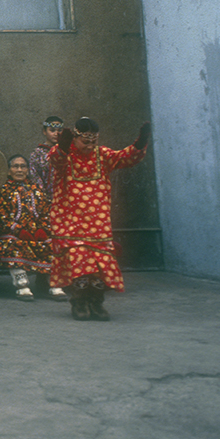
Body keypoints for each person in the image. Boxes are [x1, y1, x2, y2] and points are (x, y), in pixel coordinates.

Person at [48, 117, 151, 321]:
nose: (90, 146)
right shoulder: (64, 155)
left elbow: (125, 158)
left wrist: (140, 142)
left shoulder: (102, 155)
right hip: (70, 221)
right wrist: (63, 145)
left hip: (98, 223)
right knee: (80, 265)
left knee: (99, 268)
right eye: (85, 142)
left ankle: (96, 303)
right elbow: (55, 160)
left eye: (93, 141)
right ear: (75, 139)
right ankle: (79, 303)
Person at [0, 155, 64, 301]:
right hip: (12, 233)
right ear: (8, 170)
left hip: (37, 232)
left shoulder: (36, 189)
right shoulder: (1, 190)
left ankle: (54, 285)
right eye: (15, 166)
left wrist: (43, 229)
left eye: (23, 166)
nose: (19, 169)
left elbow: (46, 211)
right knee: (13, 244)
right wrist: (18, 230)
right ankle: (22, 286)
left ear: (28, 170)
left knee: (52, 244)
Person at [27, 116, 64, 200]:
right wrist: (42, 195)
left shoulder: (66, 152)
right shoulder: (37, 153)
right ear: (44, 132)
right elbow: (34, 176)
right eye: (52, 130)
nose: (56, 134)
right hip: (46, 197)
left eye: (60, 130)